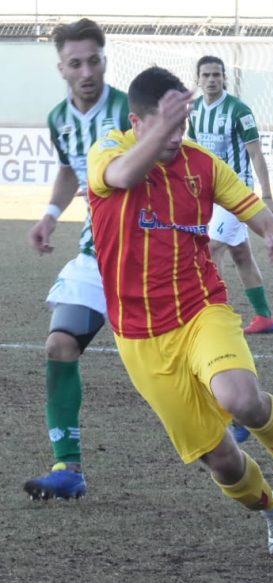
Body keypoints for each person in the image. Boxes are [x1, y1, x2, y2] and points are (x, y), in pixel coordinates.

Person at [86, 66, 273, 557]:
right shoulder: (108, 152)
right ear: (136, 123)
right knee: (222, 461)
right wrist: (163, 126)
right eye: (164, 125)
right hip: (140, 338)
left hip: (201, 311)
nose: (176, 137)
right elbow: (120, 176)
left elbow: (257, 215)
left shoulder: (200, 164)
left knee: (242, 398)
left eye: (181, 125)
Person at [24, 18, 130, 501]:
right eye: (76, 63)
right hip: (94, 255)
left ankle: (231, 415)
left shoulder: (131, 108)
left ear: (105, 60)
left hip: (145, 257)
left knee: (172, 363)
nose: (87, 70)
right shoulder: (59, 118)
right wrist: (49, 215)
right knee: (59, 346)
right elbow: (70, 170)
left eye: (94, 60)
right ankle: (68, 467)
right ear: (61, 68)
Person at [188, 55, 273, 335]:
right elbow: (191, 151)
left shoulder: (239, 110)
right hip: (206, 191)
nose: (212, 79)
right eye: (207, 75)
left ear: (224, 77)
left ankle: (211, 315)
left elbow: (255, 153)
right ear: (198, 79)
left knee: (212, 247)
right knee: (240, 254)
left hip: (236, 191)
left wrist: (267, 195)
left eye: (217, 74)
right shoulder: (193, 111)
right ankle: (264, 317)